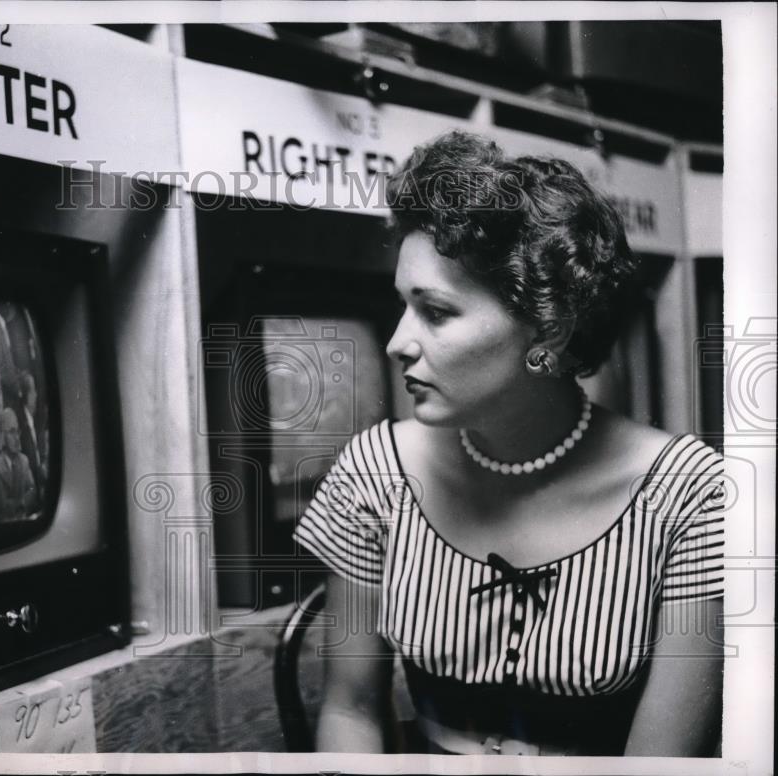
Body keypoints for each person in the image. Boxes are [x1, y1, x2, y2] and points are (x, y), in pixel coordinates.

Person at [293, 131, 724, 757]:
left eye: (435, 312)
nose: (398, 342)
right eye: (402, 306)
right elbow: (351, 707)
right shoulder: (372, 473)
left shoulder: (689, 493)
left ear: (547, 329)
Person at [0, 408, 38, 523]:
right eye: (11, 432)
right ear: (2, 435)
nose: (17, 438)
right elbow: (2, 511)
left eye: (17, 431)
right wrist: (24, 502)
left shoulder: (24, 460)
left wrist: (17, 504)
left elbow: (33, 492)